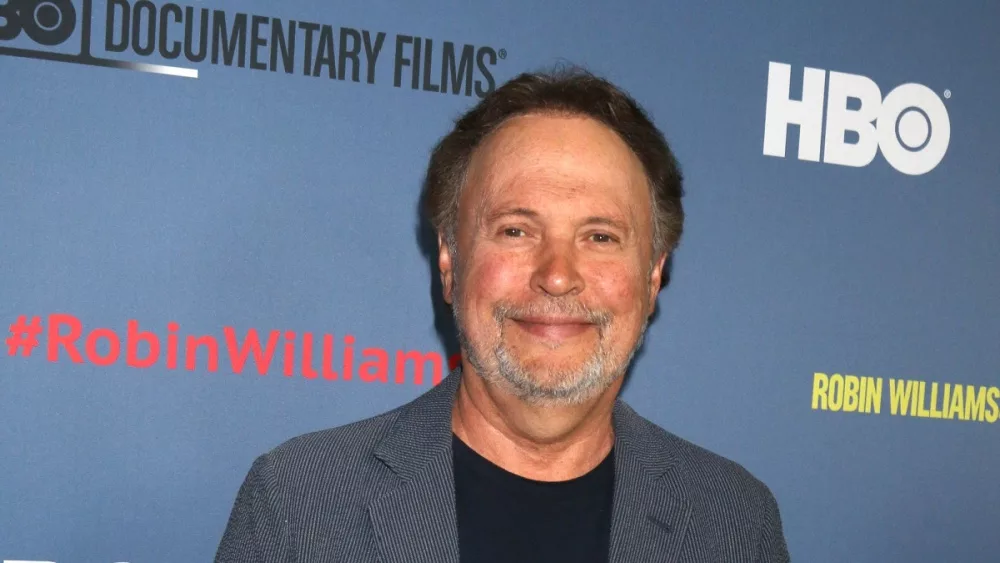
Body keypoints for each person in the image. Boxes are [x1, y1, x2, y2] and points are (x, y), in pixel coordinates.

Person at [215, 67, 790, 563]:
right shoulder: (300, 502)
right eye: (516, 230)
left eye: (600, 235)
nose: (558, 274)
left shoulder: (732, 522)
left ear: (652, 275)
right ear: (449, 262)